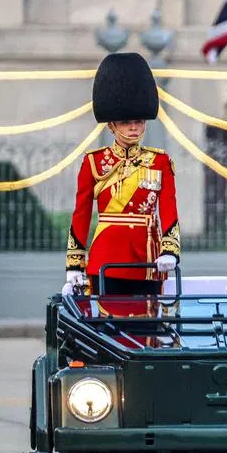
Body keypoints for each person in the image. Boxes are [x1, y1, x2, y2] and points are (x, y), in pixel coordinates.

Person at [64, 52, 180, 296]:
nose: (134, 127)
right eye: (126, 122)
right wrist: (74, 263)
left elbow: (169, 210)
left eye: (138, 121)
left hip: (148, 259)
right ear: (111, 126)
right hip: (106, 257)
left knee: (149, 326)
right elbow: (82, 214)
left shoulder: (160, 162)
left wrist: (170, 250)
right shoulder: (93, 162)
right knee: (108, 326)